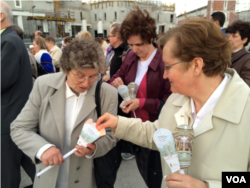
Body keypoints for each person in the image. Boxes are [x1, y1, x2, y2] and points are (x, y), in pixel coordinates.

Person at [96, 17, 250, 188]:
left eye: (168, 67)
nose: (164, 75)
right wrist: (118, 123)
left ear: (196, 65)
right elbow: (160, 134)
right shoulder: (177, 98)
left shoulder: (246, 109)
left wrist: (207, 186)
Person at [11, 38, 118, 188]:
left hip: (87, 179)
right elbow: (19, 128)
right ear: (66, 69)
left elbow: (111, 135)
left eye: (93, 76)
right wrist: (42, 148)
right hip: (49, 177)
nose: (86, 83)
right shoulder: (44, 85)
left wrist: (95, 148)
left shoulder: (107, 94)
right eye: (80, 75)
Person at [109, 7, 172, 188]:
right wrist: (117, 82)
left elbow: (170, 101)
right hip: (134, 125)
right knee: (144, 171)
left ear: (151, 39)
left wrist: (141, 102)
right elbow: (116, 77)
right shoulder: (130, 56)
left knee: (155, 175)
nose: (135, 49)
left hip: (156, 129)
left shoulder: (163, 61)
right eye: (131, 44)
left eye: (139, 44)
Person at [0, 2, 33, 188]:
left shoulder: (8, 41)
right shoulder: (9, 40)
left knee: (7, 175)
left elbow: (2, 80)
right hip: (13, 116)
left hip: (8, 118)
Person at [226, 20, 250, 86]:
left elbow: (245, 86)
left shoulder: (247, 59)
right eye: (229, 35)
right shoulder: (224, 54)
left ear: (244, 40)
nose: (229, 39)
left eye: (234, 36)